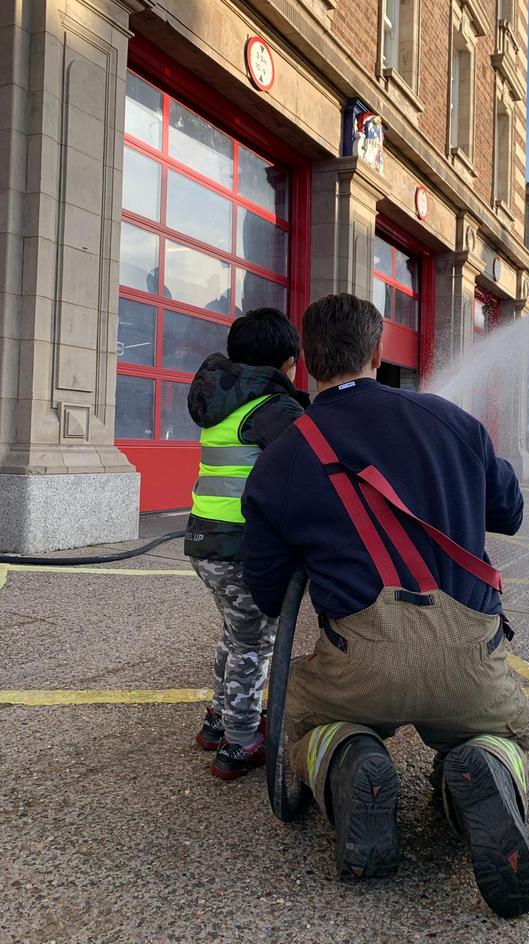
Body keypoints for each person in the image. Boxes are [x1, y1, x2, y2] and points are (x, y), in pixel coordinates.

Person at [241, 293, 529, 918]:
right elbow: (509, 512)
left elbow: (269, 597)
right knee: (500, 729)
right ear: (378, 353)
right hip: (471, 654)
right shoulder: (454, 422)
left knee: (303, 719)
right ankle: (482, 765)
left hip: (362, 660)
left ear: (305, 363)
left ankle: (349, 759)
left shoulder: (282, 458)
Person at [184, 308, 308, 779]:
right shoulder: (274, 408)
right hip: (241, 550)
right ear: (288, 362)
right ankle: (239, 742)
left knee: (238, 635)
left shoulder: (220, 400)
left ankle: (219, 721)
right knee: (255, 644)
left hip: (204, 540)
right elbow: (309, 468)